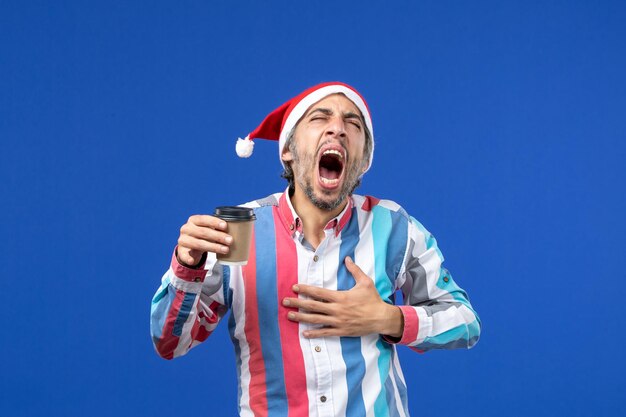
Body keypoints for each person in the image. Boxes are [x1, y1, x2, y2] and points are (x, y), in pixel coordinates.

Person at [150, 82, 481, 417]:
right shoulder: (238, 232)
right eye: (319, 118)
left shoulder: (394, 227)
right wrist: (186, 266)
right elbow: (169, 343)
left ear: (363, 161)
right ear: (288, 151)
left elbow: (465, 323)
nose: (337, 128)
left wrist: (388, 317)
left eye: (353, 124)